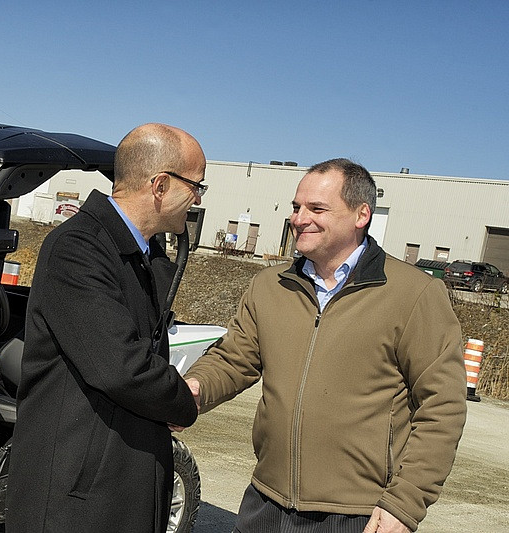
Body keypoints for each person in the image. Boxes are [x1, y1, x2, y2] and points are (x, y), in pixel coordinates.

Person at [184, 158, 467, 533]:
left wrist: (406, 502)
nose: (300, 218)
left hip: (357, 515)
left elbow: (442, 407)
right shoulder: (271, 286)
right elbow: (234, 359)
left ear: (361, 215)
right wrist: (192, 390)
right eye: (297, 207)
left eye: (317, 208)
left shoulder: (415, 294)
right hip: (265, 501)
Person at [6, 123, 206, 532]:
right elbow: (121, 366)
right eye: (197, 186)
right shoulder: (79, 248)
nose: (199, 199)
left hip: (113, 490)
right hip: (76, 501)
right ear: (161, 185)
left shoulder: (139, 253)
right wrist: (182, 400)